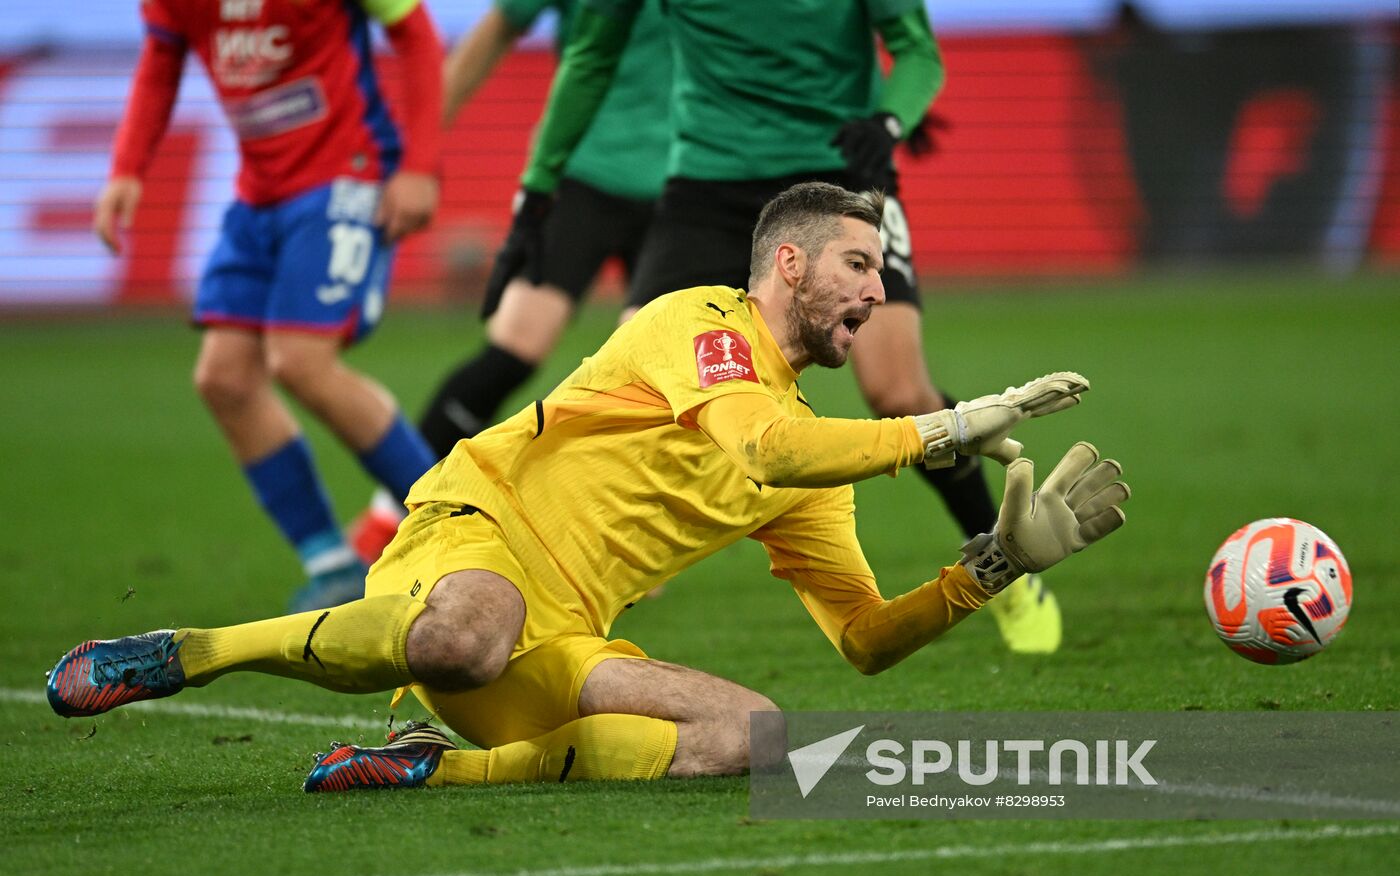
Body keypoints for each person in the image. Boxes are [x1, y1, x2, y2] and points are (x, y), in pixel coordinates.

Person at [48, 183, 1129, 792]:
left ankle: (434, 770)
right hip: (476, 534)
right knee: (463, 633)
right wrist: (940, 424)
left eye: (882, 277)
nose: (874, 291)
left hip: (563, 634)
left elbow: (860, 635)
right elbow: (754, 446)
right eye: (857, 267)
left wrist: (989, 566)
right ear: (788, 267)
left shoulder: (816, 449)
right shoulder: (698, 323)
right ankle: (187, 651)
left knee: (754, 737)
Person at [491, 0, 1068, 653]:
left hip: (841, 175)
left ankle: (1002, 560)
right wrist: (536, 193)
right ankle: (559, 588)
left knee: (899, 391)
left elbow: (916, 50)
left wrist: (888, 120)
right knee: (639, 397)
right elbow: (591, 56)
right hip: (709, 186)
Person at [92, 0, 446, 613]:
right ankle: (333, 566)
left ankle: (459, 523)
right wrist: (126, 169)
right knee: (224, 379)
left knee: (302, 362)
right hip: (259, 194)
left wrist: (419, 168)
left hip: (348, 171)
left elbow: (413, 32)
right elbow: (160, 59)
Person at [351, 0, 672, 559]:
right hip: (579, 175)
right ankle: (390, 516)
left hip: (687, 186)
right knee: (511, 351)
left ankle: (631, 541)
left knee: (664, 378)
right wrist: (417, 152)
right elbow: (494, 32)